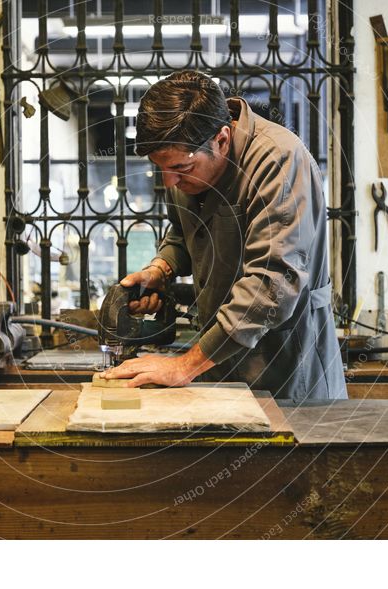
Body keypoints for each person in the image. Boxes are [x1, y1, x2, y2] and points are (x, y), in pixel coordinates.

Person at [100, 70, 346, 401]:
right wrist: (161, 270)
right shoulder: (184, 165)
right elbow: (185, 232)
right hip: (217, 366)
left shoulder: (279, 161)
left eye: (181, 170)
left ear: (222, 140)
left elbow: (272, 285)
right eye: (161, 169)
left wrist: (183, 366)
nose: (169, 182)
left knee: (284, 450)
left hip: (287, 372)